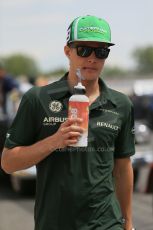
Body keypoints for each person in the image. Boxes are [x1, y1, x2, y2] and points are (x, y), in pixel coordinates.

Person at [1, 15, 135, 230]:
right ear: (67, 51)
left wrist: (128, 223)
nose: (92, 58)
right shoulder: (38, 98)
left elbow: (122, 167)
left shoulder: (121, 104)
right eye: (83, 49)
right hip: (54, 223)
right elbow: (8, 163)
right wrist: (54, 141)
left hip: (107, 223)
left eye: (101, 52)